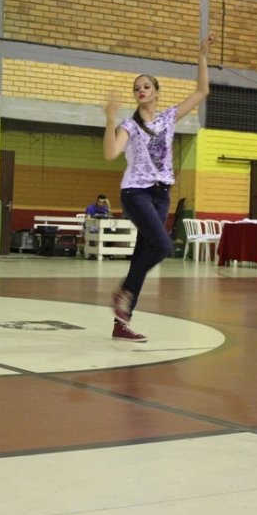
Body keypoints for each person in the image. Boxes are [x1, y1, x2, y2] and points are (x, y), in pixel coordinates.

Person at [103, 34, 215, 342]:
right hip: (136, 193)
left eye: (146, 86)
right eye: (137, 88)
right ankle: (124, 292)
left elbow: (202, 90)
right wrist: (110, 119)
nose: (141, 91)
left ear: (156, 91)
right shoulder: (128, 125)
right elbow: (111, 153)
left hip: (162, 194)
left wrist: (201, 55)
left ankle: (121, 323)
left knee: (143, 255)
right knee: (164, 246)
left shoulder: (168, 117)